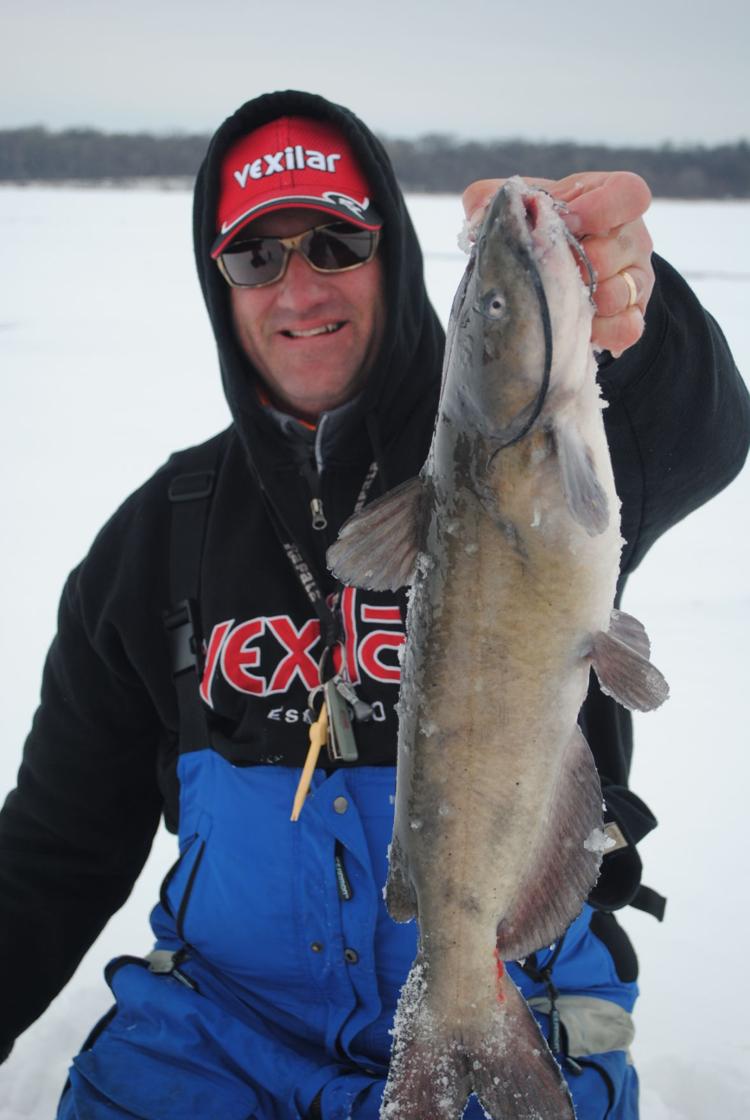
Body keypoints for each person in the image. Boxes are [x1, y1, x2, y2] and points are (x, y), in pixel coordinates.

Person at [0, 89, 747, 1120]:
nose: (298, 286)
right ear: (219, 283)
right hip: (214, 1040)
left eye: (335, 243)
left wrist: (632, 313)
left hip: (514, 988)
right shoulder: (156, 538)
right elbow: (52, 852)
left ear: (391, 252)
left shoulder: (561, 453)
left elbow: (700, 427)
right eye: (255, 256)